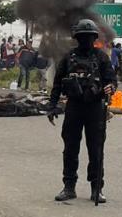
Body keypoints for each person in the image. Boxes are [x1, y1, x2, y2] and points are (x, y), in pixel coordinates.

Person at [48, 19, 116, 205]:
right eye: (82, 37)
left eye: (89, 37)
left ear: (94, 38)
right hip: (74, 107)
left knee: (96, 150)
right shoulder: (69, 58)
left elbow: (111, 80)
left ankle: (97, 188)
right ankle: (69, 187)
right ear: (77, 38)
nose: (85, 40)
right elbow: (57, 83)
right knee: (70, 149)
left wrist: (110, 88)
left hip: (95, 108)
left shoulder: (101, 58)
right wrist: (52, 105)